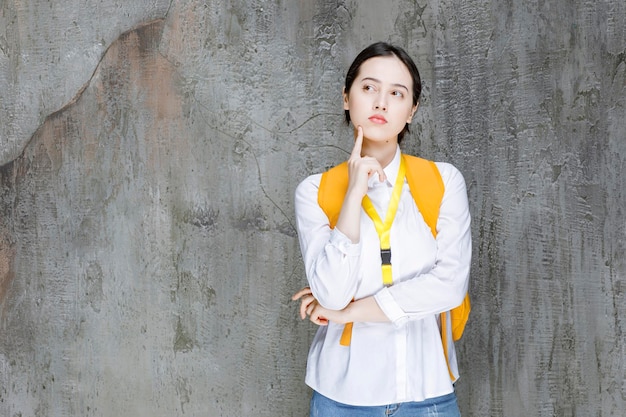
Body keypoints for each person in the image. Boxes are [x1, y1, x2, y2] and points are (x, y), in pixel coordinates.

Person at [291, 42, 472, 416]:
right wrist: (354, 192)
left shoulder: (444, 181)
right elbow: (332, 292)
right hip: (342, 398)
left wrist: (348, 313)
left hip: (427, 394)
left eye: (396, 93)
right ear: (347, 97)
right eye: (369, 88)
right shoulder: (315, 191)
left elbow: (449, 285)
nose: (381, 103)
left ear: (412, 109)